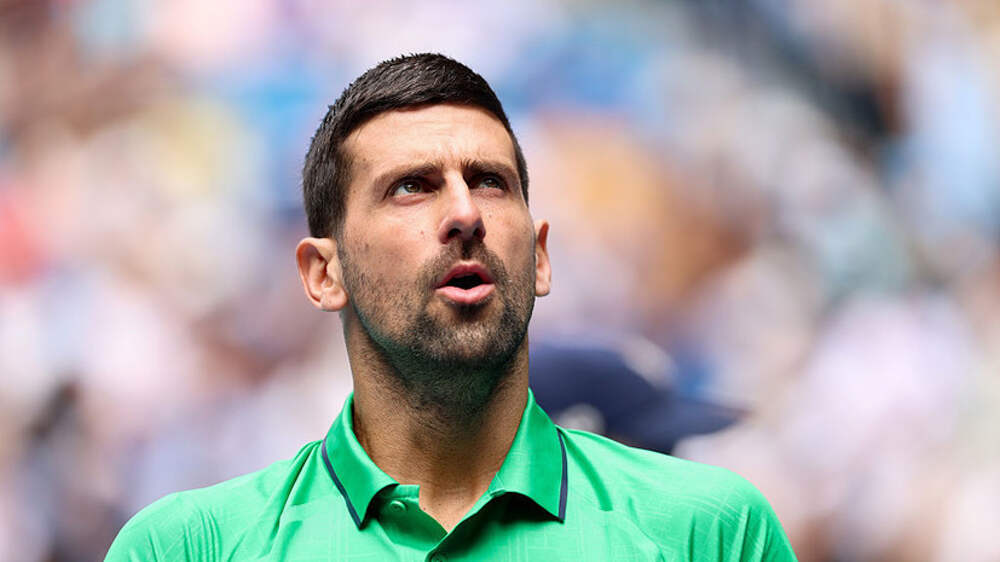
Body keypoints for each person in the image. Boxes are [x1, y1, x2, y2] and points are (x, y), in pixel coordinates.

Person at [106, 53, 796, 561]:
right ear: (323, 273)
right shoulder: (188, 548)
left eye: (490, 182)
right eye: (411, 186)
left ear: (540, 257)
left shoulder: (712, 531)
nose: (466, 213)